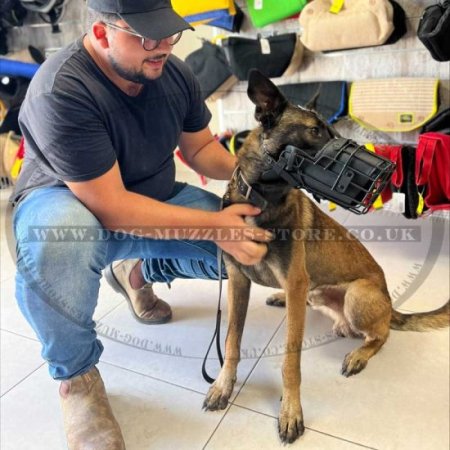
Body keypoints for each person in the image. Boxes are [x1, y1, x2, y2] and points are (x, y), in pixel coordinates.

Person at [11, 1, 272, 448]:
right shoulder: (62, 88)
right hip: (70, 203)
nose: (162, 48)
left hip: (153, 195)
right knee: (58, 243)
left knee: (256, 249)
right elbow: (111, 206)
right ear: (100, 31)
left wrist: (262, 170)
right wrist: (214, 225)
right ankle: (78, 381)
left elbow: (201, 150)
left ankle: (134, 271)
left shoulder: (172, 72)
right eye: (147, 38)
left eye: (169, 34)